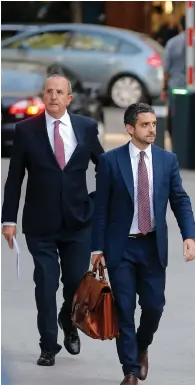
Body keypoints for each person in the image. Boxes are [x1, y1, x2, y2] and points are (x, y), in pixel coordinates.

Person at [90, 102, 195, 385]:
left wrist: (189, 236)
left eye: (153, 124)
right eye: (145, 125)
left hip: (152, 246)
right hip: (121, 247)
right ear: (130, 128)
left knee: (153, 306)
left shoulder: (167, 160)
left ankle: (142, 345)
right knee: (124, 307)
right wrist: (97, 249)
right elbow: (100, 208)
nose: (152, 129)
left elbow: (180, 200)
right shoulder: (110, 161)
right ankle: (130, 371)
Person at [1, 74, 104, 366]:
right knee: (45, 285)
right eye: (49, 91)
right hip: (40, 225)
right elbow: (14, 178)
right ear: (43, 96)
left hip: (78, 223)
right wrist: (8, 219)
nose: (54, 96)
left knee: (74, 282)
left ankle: (68, 322)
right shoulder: (26, 130)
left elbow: (104, 166)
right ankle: (48, 345)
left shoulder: (85, 128)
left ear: (69, 99)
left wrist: (97, 203)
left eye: (59, 92)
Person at [161, 15, 195, 138]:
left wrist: (163, 89)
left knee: (175, 115)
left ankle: (176, 137)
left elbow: (166, 69)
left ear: (180, 25)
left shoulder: (171, 43)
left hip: (175, 85)